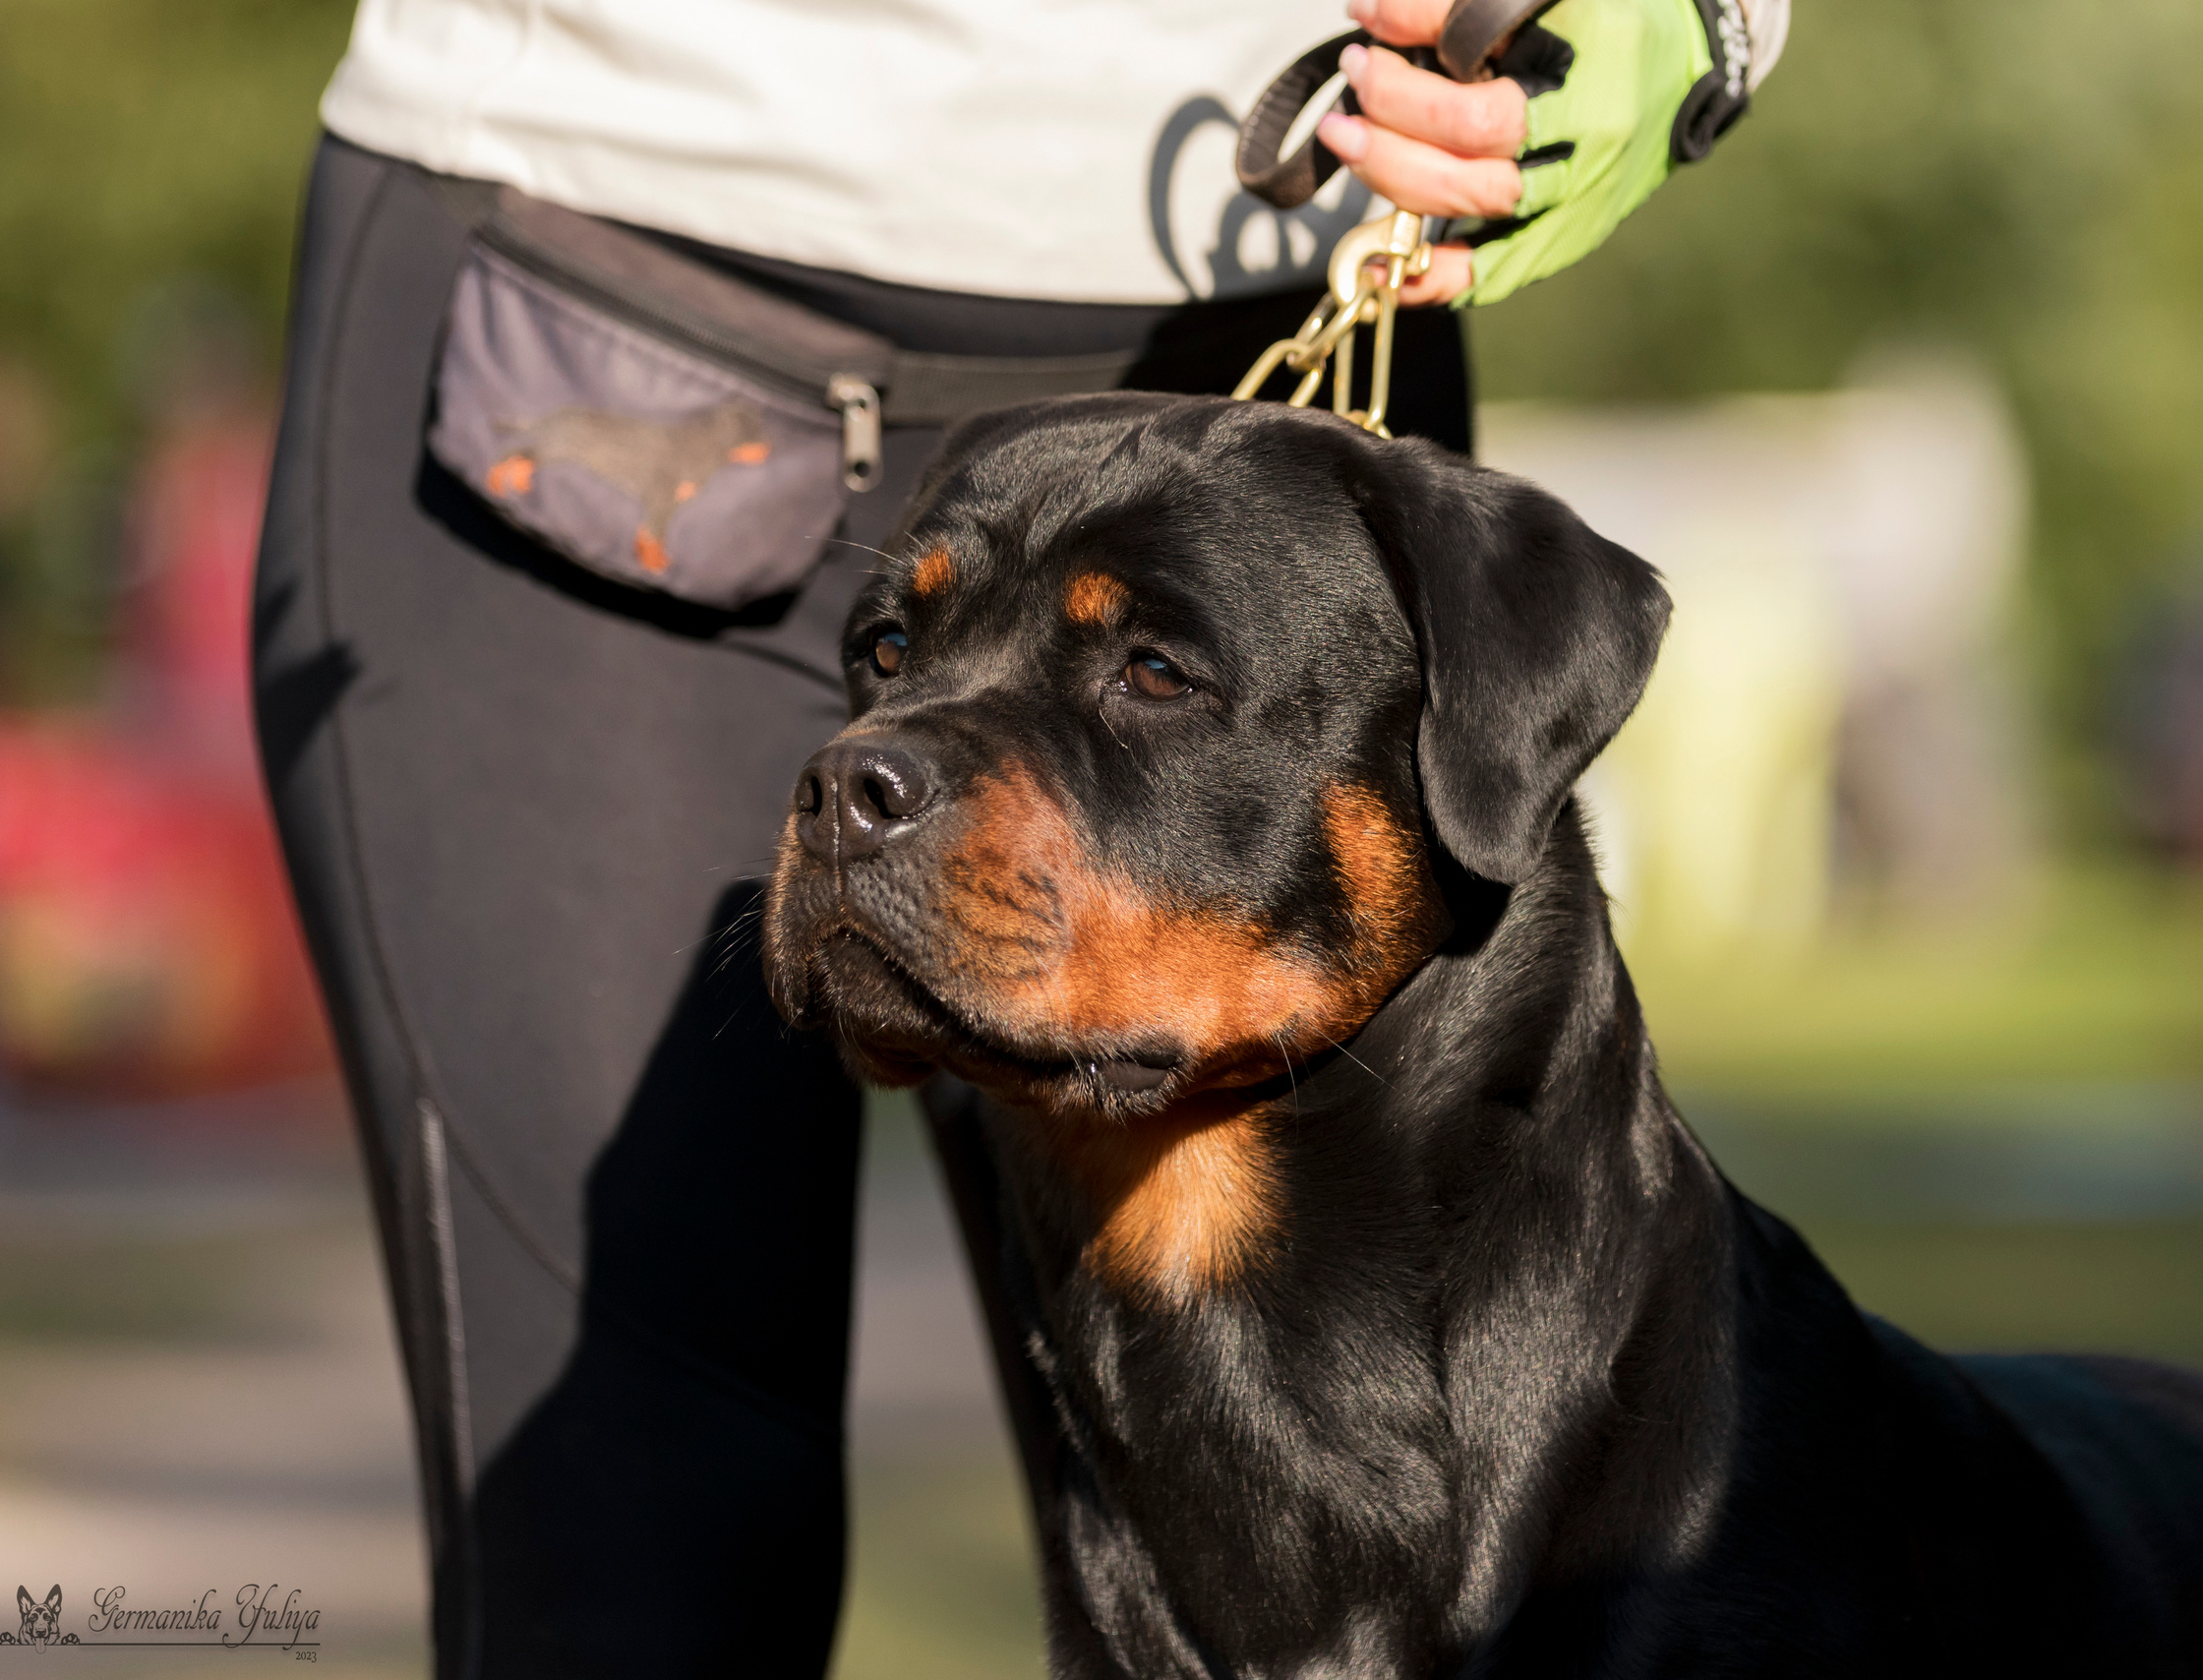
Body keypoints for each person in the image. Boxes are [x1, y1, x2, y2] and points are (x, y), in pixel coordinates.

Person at [250, 0, 1786, 1671]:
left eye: (1147, 670)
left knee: (1409, 1583)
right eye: (882, 675)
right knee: (623, 1575)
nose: (869, 761)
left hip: (1310, 271)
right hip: (577, 292)